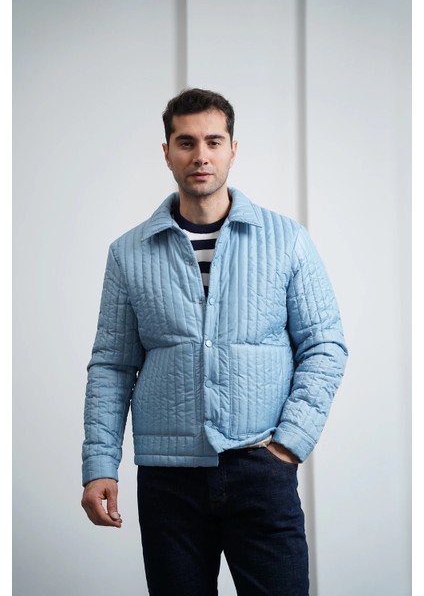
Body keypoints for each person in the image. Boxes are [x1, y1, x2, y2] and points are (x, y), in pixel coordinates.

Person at [81, 88, 348, 595]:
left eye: (213, 141)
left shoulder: (286, 240)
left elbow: (324, 345)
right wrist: (99, 465)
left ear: (232, 149)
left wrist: (290, 443)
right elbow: (111, 366)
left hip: (260, 469)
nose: (200, 155)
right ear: (167, 153)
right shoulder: (128, 253)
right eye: (186, 142)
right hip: (168, 480)